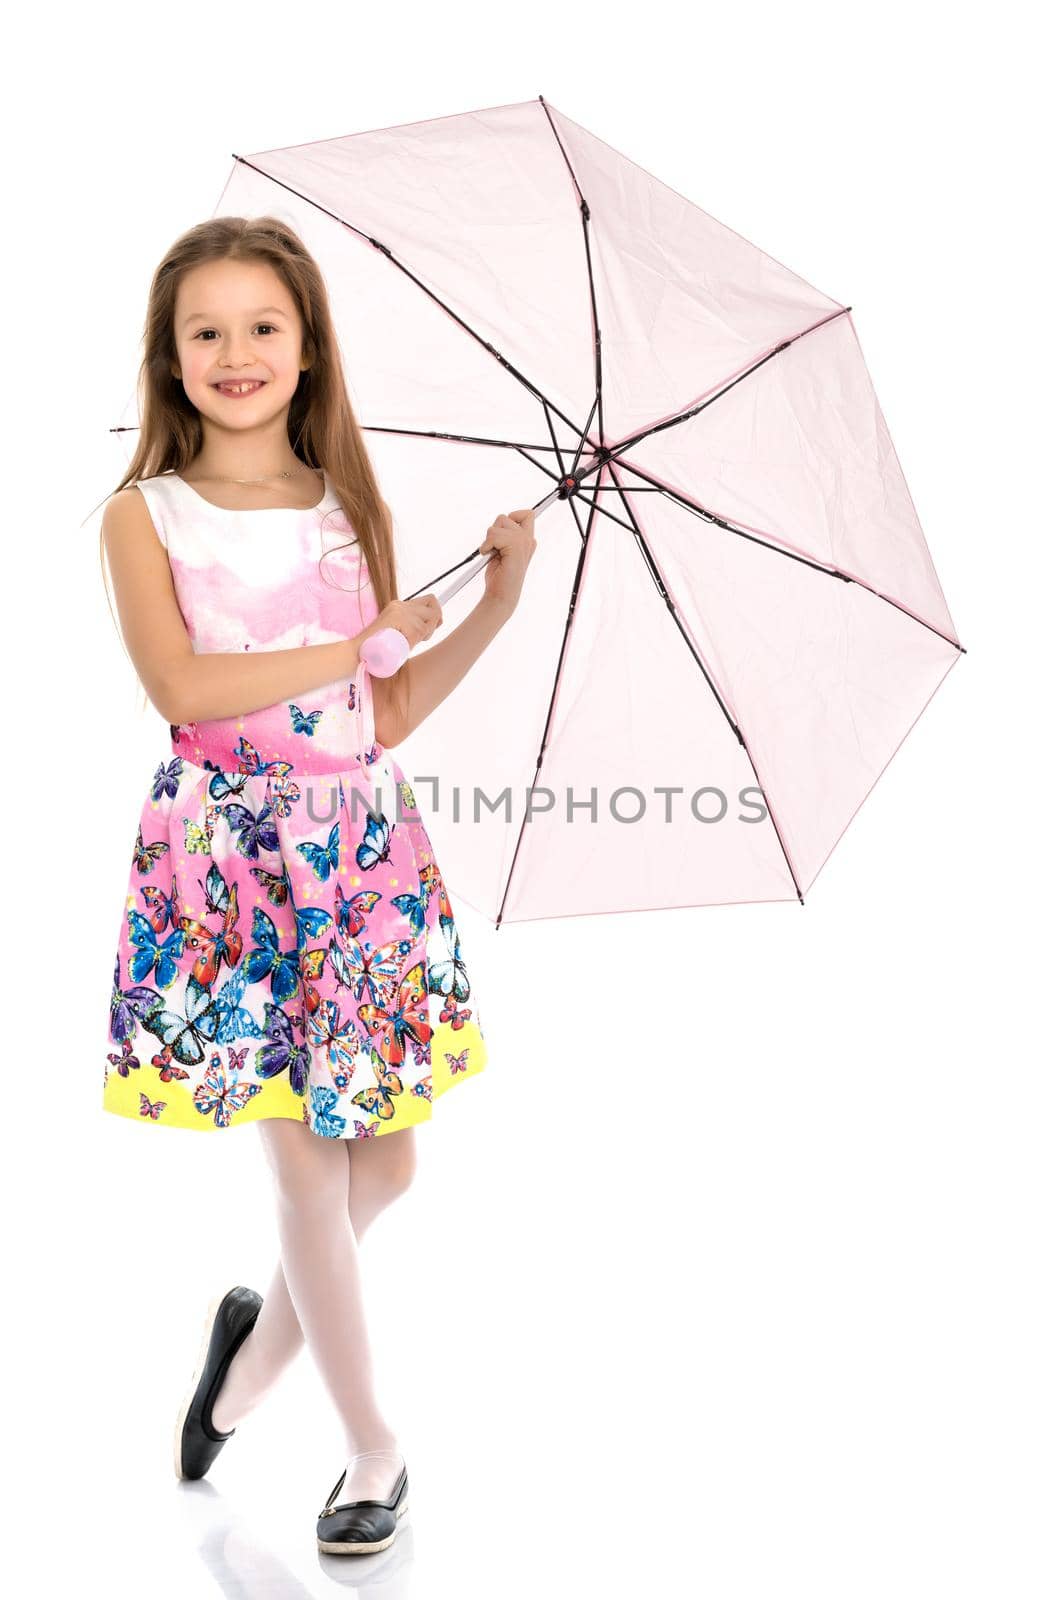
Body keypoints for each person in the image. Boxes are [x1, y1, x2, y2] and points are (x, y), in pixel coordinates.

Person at [99, 214, 535, 1555]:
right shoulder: (143, 514)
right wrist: (351, 642)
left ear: (306, 349)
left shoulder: (352, 508)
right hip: (232, 861)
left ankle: (237, 1370)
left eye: (262, 328)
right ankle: (370, 1451)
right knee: (302, 1175)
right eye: (207, 331)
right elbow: (182, 687)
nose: (236, 352)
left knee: (381, 1172)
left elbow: (382, 710)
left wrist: (493, 609)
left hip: (360, 857)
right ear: (172, 361)